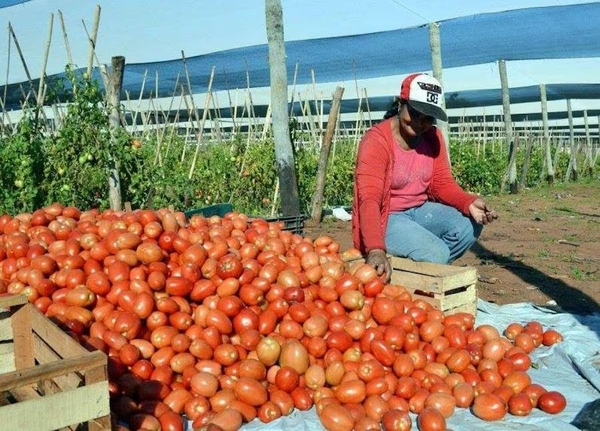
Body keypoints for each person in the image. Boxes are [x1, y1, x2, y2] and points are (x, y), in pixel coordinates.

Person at [352, 73, 498, 282]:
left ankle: (420, 272)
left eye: (428, 117)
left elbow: (442, 184)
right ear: (400, 104)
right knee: (436, 253)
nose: (420, 122)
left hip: (419, 210)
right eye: (415, 113)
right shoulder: (376, 141)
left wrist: (468, 202)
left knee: (469, 226)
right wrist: (375, 247)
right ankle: (425, 269)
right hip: (388, 217)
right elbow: (369, 200)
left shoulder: (432, 137)